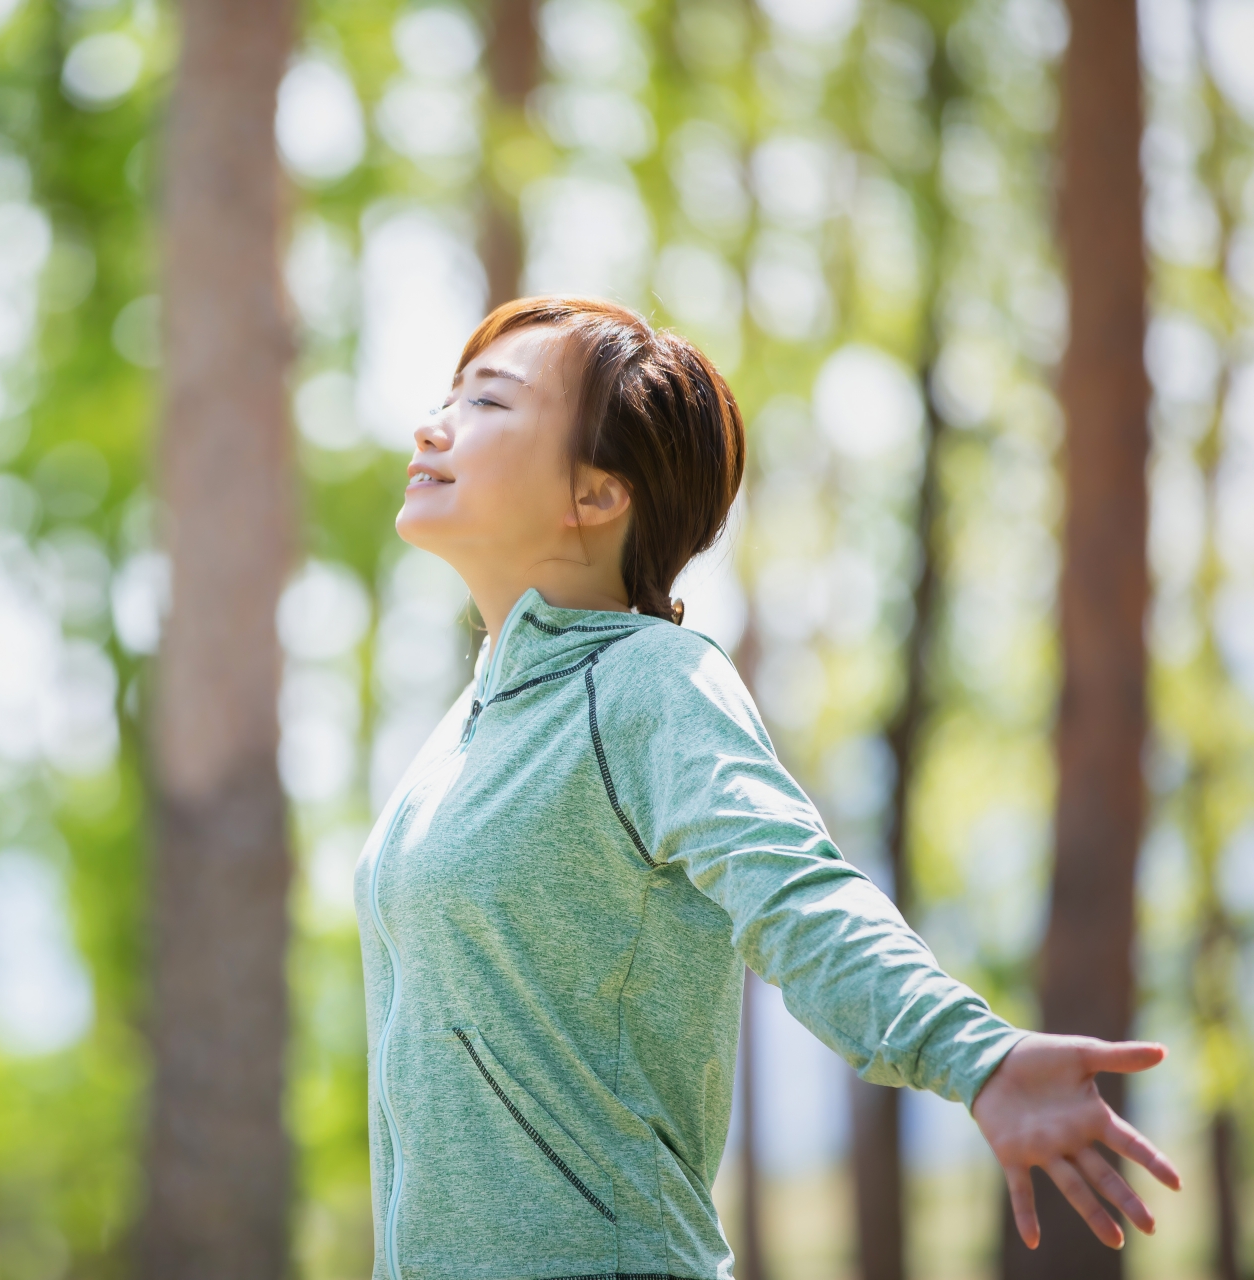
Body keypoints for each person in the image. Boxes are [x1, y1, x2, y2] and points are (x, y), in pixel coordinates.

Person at [355, 295, 1180, 1280]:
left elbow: (800, 892)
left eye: (487, 402)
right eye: (451, 393)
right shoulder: (466, 727)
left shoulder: (649, 684)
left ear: (596, 493)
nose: (432, 423)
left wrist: (977, 1052)